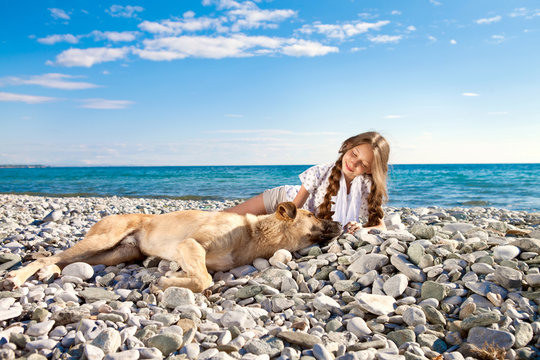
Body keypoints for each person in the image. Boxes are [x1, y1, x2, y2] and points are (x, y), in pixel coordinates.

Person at [224, 131, 390, 232]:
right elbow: (292, 210)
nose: (353, 163)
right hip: (283, 201)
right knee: (225, 219)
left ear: (369, 170)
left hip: (302, 220)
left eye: (363, 163)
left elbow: (380, 227)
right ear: (348, 146)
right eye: (354, 154)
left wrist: (362, 229)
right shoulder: (320, 171)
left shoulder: (365, 188)